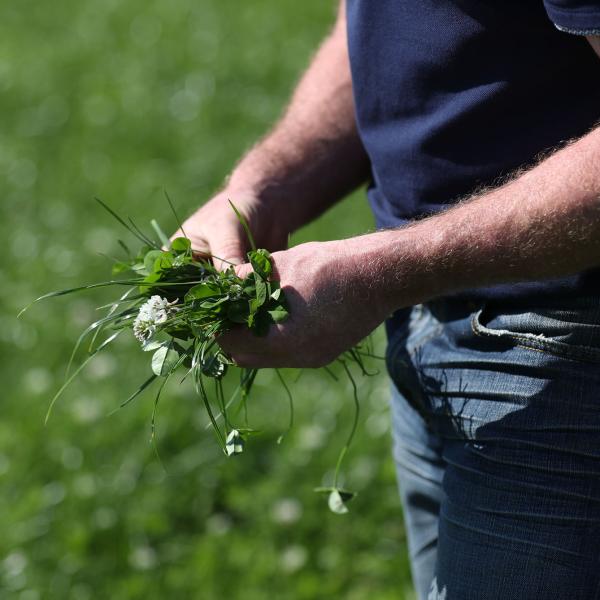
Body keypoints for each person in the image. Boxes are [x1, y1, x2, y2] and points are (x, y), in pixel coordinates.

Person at [173, 2, 600, 598]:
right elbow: (387, 28)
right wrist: (262, 188)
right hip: (423, 320)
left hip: (563, 357)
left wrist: (385, 270)